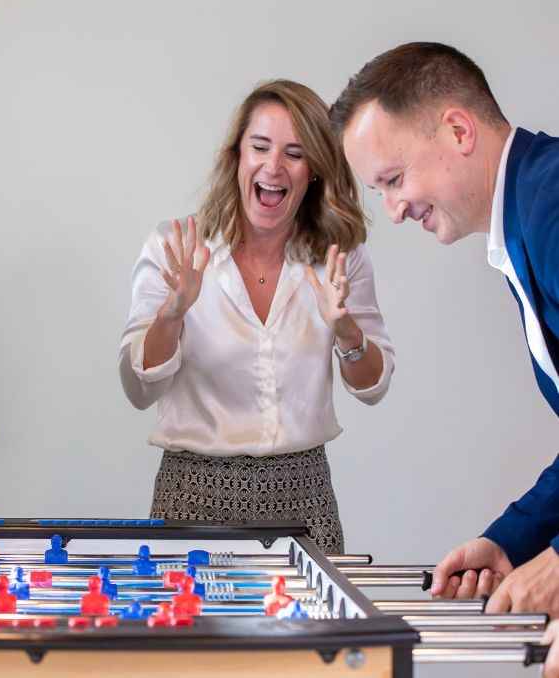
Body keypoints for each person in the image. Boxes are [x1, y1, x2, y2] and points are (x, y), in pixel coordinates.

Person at [331, 43, 559, 636]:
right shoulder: (528, 212)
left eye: (395, 178)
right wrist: (511, 542)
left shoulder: (554, 205)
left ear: (458, 130)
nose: (394, 209)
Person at [119, 80, 394, 553]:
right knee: (187, 628)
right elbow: (137, 389)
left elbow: (373, 386)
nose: (273, 166)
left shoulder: (339, 257)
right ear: (237, 158)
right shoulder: (178, 249)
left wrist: (345, 329)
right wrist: (172, 314)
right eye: (260, 147)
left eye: (294, 153)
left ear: (314, 172)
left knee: (316, 629)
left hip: (304, 496)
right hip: (193, 494)